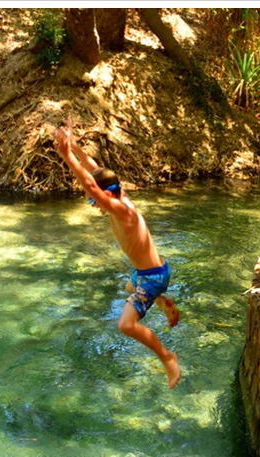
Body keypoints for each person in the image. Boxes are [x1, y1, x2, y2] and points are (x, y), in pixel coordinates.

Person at [54, 118, 181, 388]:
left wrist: (66, 155)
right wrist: (75, 146)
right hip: (146, 272)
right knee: (128, 287)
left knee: (126, 325)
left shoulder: (122, 211)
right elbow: (95, 170)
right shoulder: (119, 196)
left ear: (107, 197)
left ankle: (167, 357)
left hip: (152, 278)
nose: (94, 205)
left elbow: (91, 185)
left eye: (94, 201)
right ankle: (161, 301)